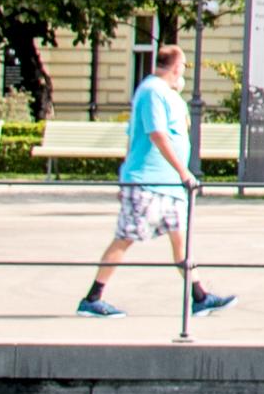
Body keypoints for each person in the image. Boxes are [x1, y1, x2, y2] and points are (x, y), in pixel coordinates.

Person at [81, 43, 230, 318]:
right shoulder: (151, 92)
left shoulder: (167, 94)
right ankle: (92, 298)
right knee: (125, 238)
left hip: (169, 185)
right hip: (148, 182)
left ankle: (199, 297)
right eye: (183, 66)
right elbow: (157, 134)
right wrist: (183, 171)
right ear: (176, 67)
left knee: (181, 243)